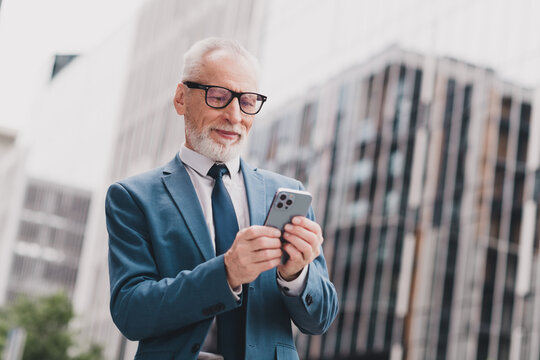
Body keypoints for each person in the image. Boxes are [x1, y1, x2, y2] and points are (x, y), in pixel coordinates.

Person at [106, 37, 338, 360]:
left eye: (247, 101)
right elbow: (131, 311)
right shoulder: (133, 197)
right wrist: (226, 273)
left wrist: (296, 275)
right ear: (180, 98)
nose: (234, 115)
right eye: (218, 96)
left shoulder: (287, 192)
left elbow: (320, 319)